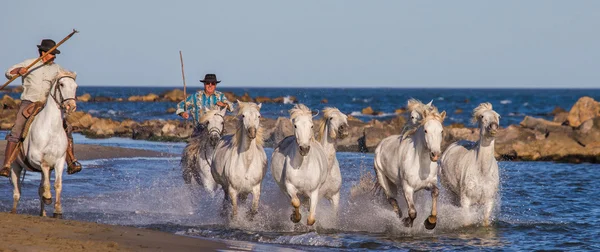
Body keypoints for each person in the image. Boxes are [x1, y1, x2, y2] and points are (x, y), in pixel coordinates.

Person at [1, 39, 81, 177]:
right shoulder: (28, 63)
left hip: (47, 104)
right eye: (52, 53)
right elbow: (9, 72)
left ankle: (71, 161)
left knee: (67, 128)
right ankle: (7, 165)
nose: (54, 56)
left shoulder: (56, 68)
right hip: (29, 103)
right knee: (17, 130)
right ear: (43, 52)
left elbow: (66, 78)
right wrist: (19, 70)